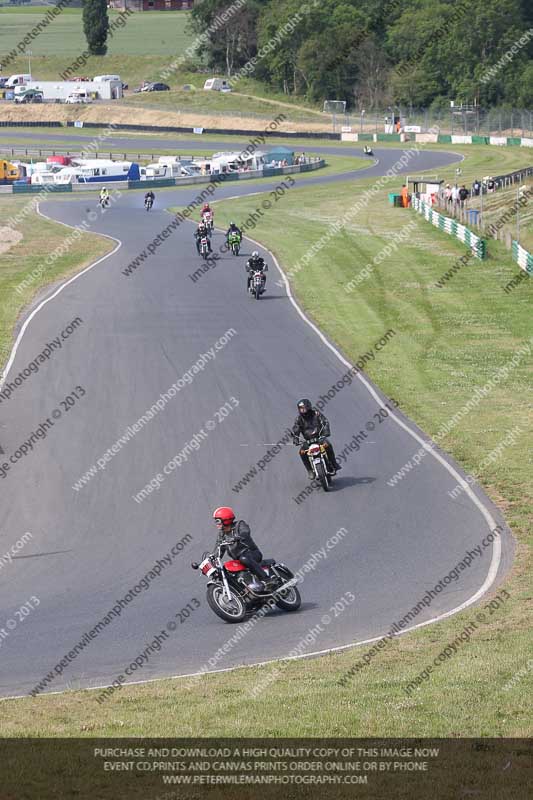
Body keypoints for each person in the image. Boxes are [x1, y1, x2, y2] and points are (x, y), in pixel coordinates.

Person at [212, 506, 273, 592]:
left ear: (226, 520)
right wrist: (213, 558)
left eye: (218, 521)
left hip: (252, 554)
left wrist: (237, 537)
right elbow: (219, 547)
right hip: (238, 561)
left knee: (244, 558)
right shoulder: (222, 534)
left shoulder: (239, 524)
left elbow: (245, 532)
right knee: (225, 569)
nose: (216, 523)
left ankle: (267, 579)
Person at [292, 399, 341, 479]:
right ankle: (310, 470)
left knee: (328, 445)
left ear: (308, 407)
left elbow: (324, 422)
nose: (302, 410)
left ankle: (334, 463)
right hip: (308, 441)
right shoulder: (298, 419)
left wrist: (326, 432)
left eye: (304, 408)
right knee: (301, 452)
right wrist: (296, 438)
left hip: (319, 438)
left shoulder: (316, 413)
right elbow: (296, 429)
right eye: (301, 408)